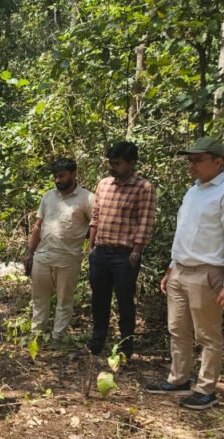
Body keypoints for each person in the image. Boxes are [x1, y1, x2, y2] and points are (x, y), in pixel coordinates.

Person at [145, 137, 224, 410]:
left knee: (207, 335)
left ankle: (206, 390)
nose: (192, 165)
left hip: (207, 272)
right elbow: (184, 232)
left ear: (218, 162)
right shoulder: (193, 191)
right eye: (190, 160)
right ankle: (178, 378)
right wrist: (171, 267)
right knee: (177, 329)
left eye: (198, 160)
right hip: (181, 269)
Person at [88, 142, 157, 358]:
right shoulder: (104, 184)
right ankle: (97, 342)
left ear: (131, 163)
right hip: (100, 252)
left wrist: (136, 252)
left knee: (125, 301)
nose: (112, 167)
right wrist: (91, 247)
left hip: (124, 255)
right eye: (111, 163)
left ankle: (126, 346)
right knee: (99, 299)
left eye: (117, 163)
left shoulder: (143, 188)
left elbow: (145, 222)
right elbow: (96, 217)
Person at [24, 158, 94, 342]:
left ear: (74, 174)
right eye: (55, 176)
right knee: (39, 298)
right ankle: (37, 335)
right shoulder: (48, 196)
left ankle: (58, 337)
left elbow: (95, 226)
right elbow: (38, 226)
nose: (57, 180)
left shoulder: (87, 198)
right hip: (42, 255)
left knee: (64, 300)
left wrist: (87, 243)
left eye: (62, 176)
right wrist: (30, 253)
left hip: (68, 258)